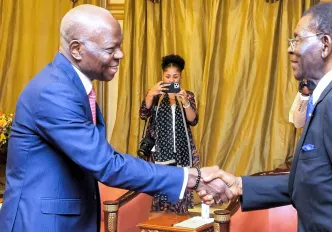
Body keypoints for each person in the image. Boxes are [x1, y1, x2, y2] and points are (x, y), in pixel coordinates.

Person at [0, 5, 232, 232]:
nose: (120, 55)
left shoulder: (71, 85)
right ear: (77, 49)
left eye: (119, 47)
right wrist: (192, 178)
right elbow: (106, 164)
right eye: (111, 49)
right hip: (43, 224)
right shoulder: (54, 91)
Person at [200, 3, 332, 232]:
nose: (290, 48)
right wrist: (239, 185)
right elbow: (317, 180)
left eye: (297, 39)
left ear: (325, 45)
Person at [139, 54, 200, 214]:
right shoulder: (156, 95)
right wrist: (150, 95)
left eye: (175, 76)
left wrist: (185, 101)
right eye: (167, 76)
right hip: (158, 151)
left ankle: (180, 220)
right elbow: (143, 114)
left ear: (180, 77)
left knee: (181, 187)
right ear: (162, 76)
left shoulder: (188, 95)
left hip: (182, 150)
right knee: (160, 189)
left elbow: (193, 120)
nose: (171, 80)